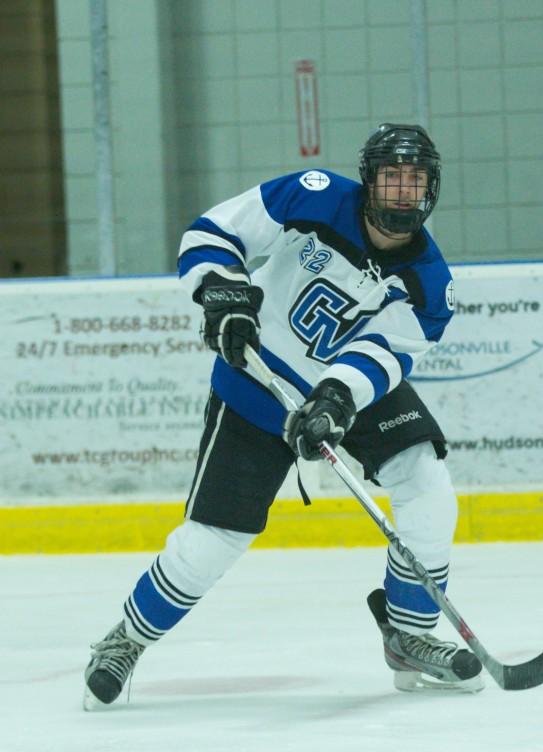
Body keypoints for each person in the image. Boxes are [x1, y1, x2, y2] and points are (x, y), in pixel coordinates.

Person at [83, 123, 485, 709]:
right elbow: (214, 232)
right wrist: (223, 292)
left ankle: (410, 636)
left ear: (432, 189)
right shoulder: (313, 195)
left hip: (345, 386)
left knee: (425, 478)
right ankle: (125, 639)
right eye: (392, 178)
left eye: (414, 181)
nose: (402, 192)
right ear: (369, 180)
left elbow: (381, 355)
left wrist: (335, 400)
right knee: (214, 540)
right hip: (256, 381)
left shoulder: (430, 283)